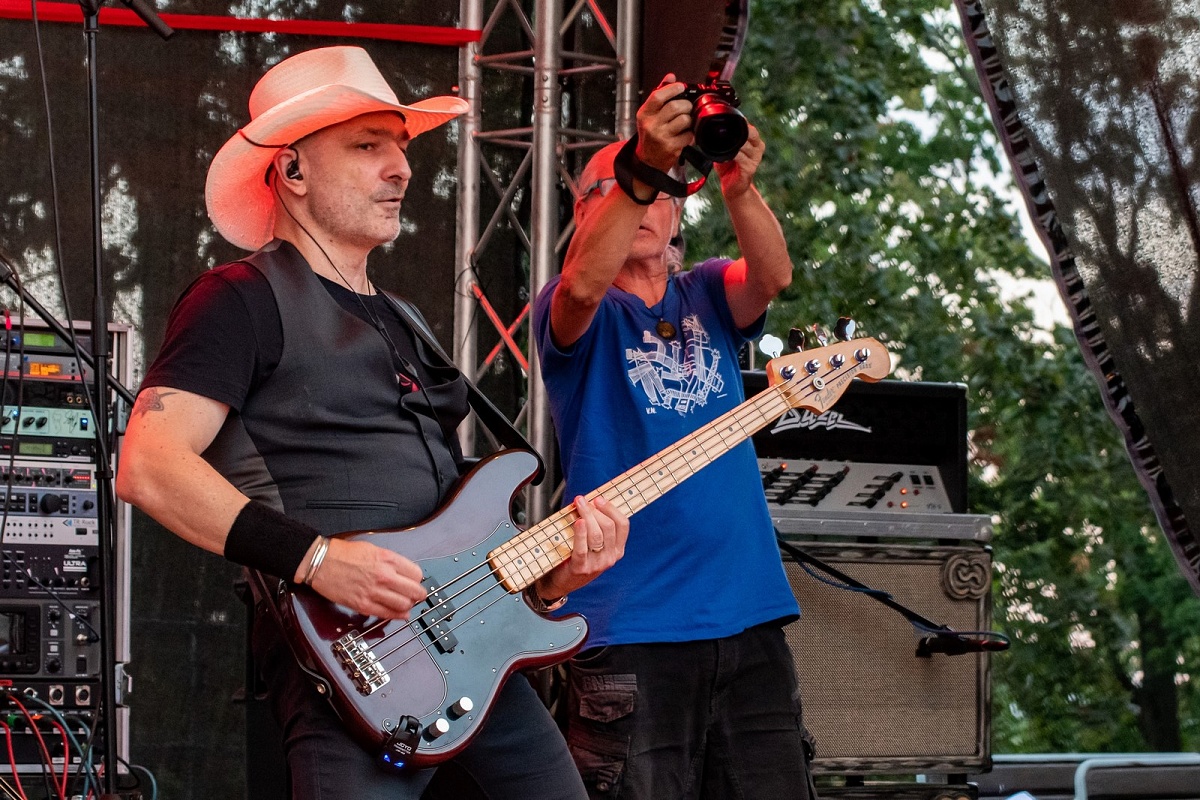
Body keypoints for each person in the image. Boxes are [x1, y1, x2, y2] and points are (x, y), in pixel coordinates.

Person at [115, 46, 628, 800]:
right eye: (368, 145)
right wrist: (317, 559)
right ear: (292, 170)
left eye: (401, 145)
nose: (401, 168)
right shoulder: (238, 298)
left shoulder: (404, 318)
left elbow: (457, 519)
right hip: (352, 664)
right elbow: (150, 465)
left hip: (473, 653)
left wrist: (551, 580)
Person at [532, 76, 817, 799]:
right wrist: (646, 161)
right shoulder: (570, 305)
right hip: (631, 624)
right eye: (622, 186)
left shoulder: (706, 290)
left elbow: (773, 276)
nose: (645, 197)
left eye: (660, 187)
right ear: (584, 213)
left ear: (678, 208)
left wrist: (738, 186)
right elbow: (581, 289)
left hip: (748, 614)